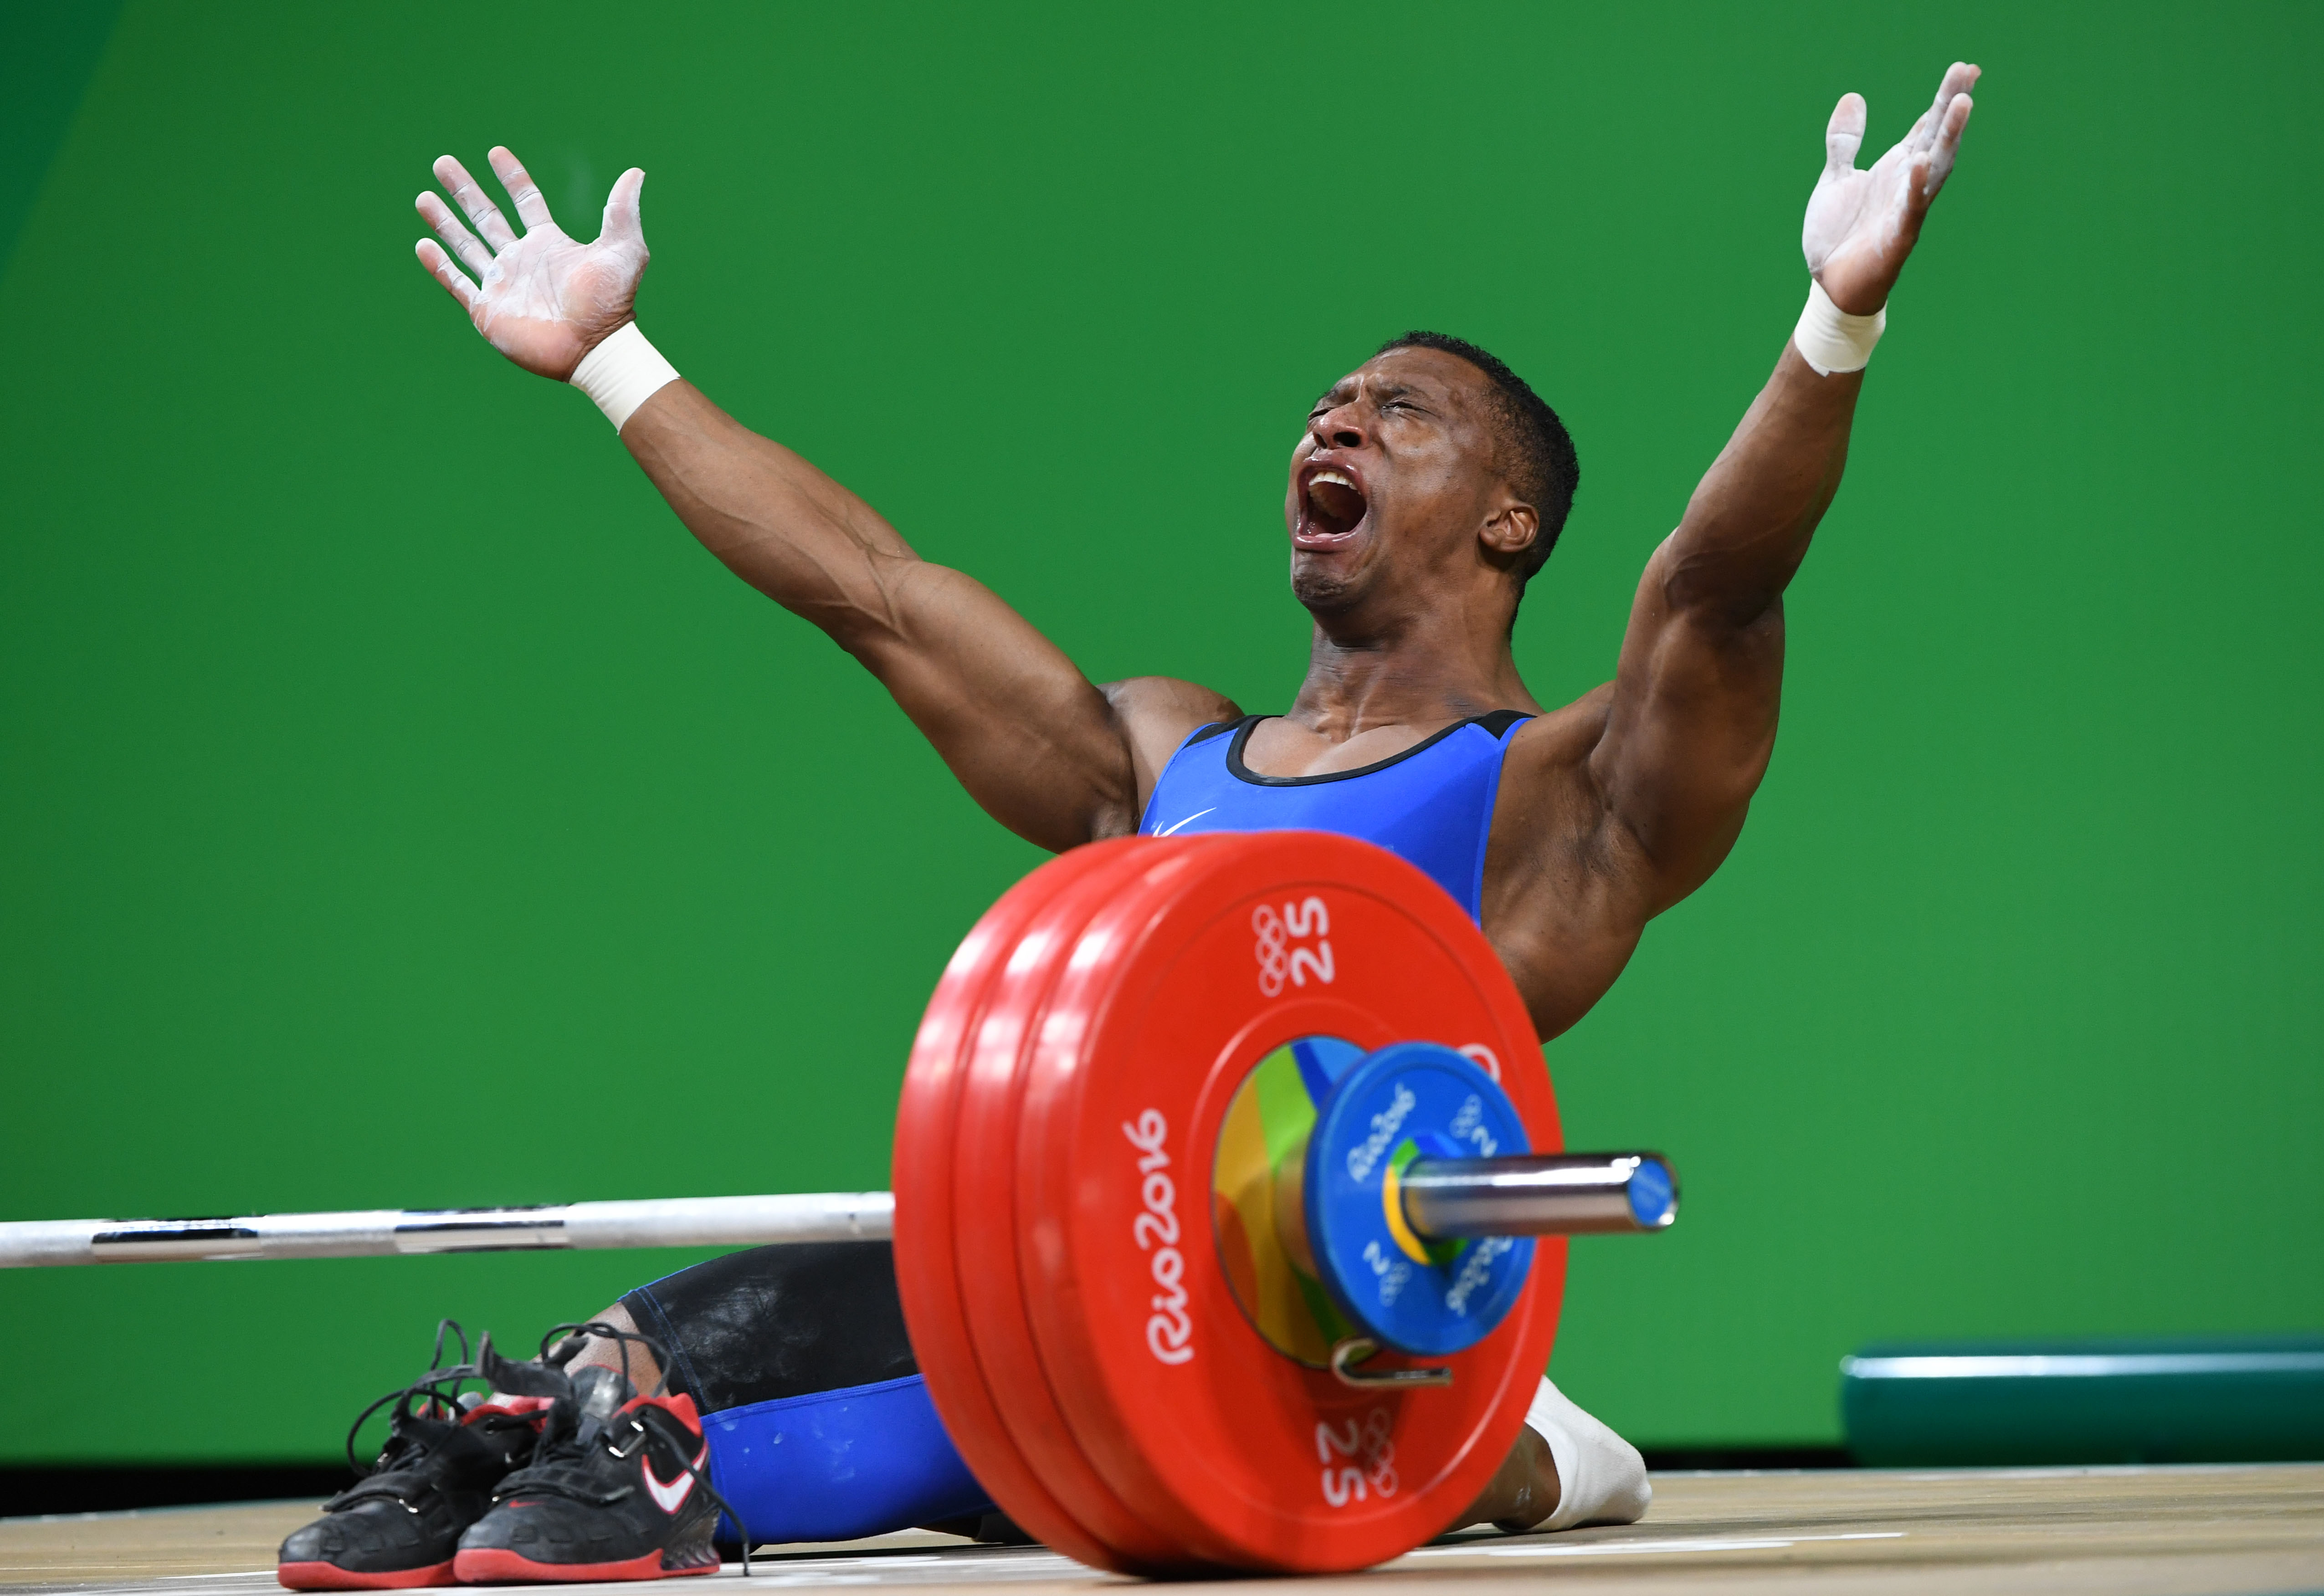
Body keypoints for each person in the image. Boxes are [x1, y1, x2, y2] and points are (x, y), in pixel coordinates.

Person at [278, 60, 1979, 1588]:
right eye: (1328, 405)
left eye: (1400, 412)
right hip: (1089, 1288)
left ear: (1510, 516)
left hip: (1261, 1332)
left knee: (890, 1367)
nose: (1336, 421)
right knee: (661, 1343)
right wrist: (612, 358)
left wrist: (1835, 324)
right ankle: (566, 1417)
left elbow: (1719, 589)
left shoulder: (1554, 801)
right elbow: (877, 594)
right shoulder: (1162, 762)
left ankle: (1488, 1447)